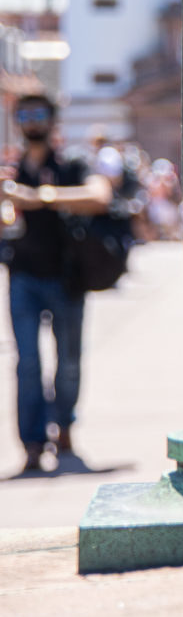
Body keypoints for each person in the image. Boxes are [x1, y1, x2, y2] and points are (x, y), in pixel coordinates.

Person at [2, 95, 112, 474]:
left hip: (67, 277)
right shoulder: (11, 169)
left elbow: (100, 195)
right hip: (23, 276)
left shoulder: (71, 164)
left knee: (67, 362)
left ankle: (63, 426)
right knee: (27, 363)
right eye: (25, 115)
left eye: (39, 114)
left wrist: (40, 197)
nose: (32, 121)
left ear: (52, 120)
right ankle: (32, 443)